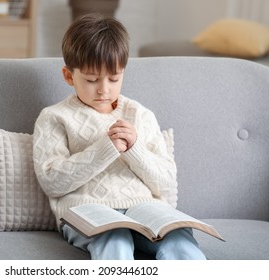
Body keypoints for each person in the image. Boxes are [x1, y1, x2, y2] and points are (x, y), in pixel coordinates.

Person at [32, 13, 206, 260]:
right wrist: (105, 149)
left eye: (114, 78)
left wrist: (136, 150)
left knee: (179, 240)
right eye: (92, 80)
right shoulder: (54, 117)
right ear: (69, 76)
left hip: (146, 210)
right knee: (116, 239)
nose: (104, 89)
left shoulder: (140, 115)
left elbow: (166, 183)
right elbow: (52, 181)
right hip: (89, 211)